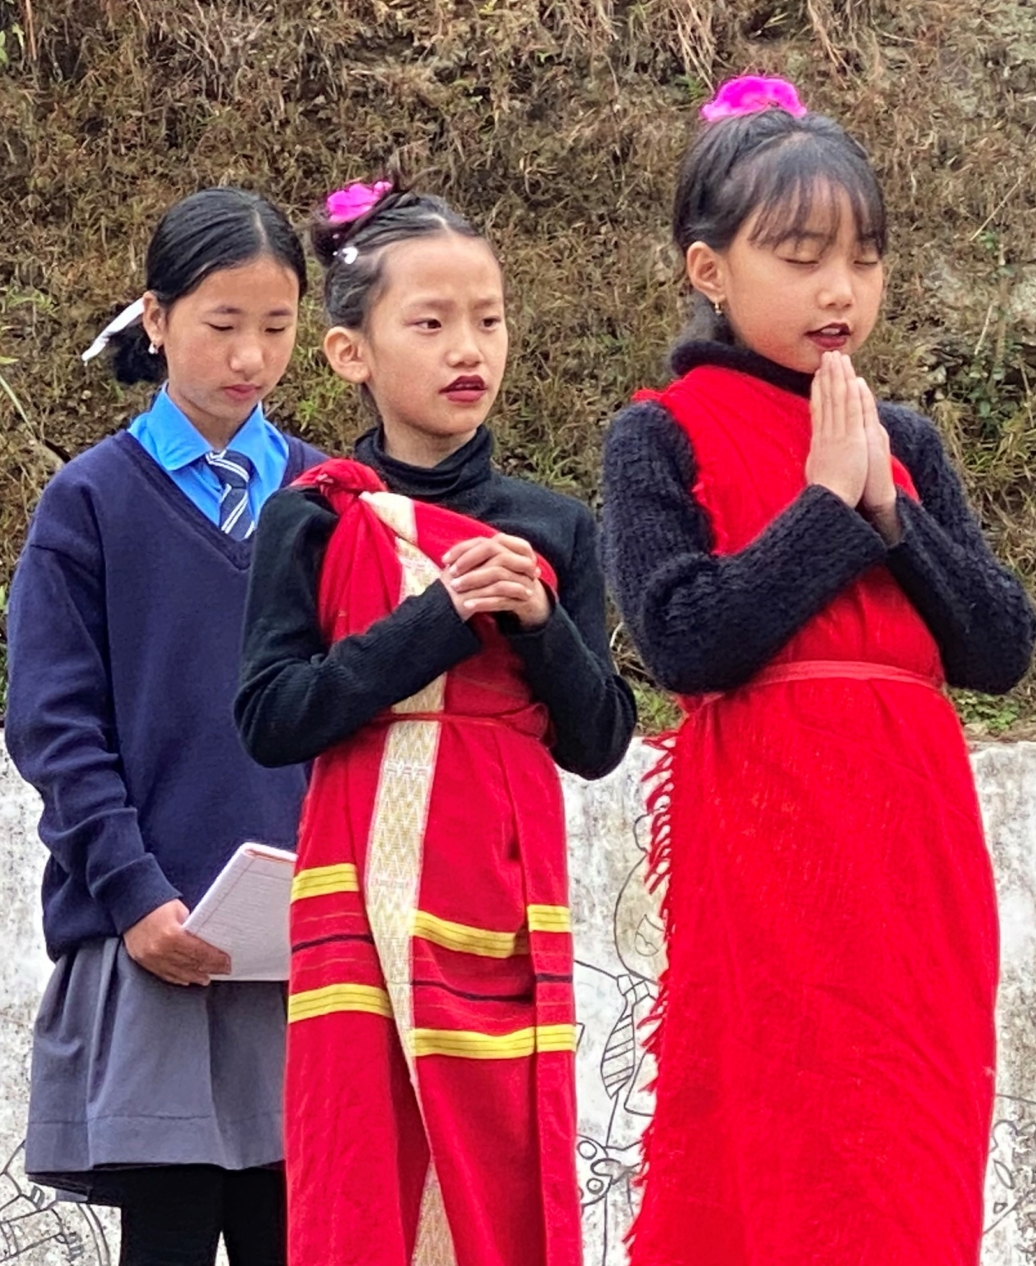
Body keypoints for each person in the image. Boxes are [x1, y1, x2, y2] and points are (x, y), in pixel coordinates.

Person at [598, 76, 1035, 1266]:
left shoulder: (906, 440)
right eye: (799, 256)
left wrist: (890, 510)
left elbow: (998, 649)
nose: (840, 289)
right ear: (710, 272)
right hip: (772, 838)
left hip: (915, 842)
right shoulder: (660, 430)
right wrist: (823, 510)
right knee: (781, 1142)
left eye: (865, 258)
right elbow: (683, 637)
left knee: (913, 1141)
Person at [235, 181, 634, 1266]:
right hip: (354, 899)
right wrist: (438, 621)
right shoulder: (313, 514)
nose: (469, 349)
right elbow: (271, 716)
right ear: (348, 352)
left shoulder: (549, 526)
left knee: (503, 1164)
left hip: (496, 897)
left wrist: (540, 616)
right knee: (361, 1164)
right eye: (430, 322)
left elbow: (598, 741)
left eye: (489, 318)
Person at [4, 187, 324, 1266]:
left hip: (308, 955)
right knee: (171, 1238)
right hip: (160, 946)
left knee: (301, 1232)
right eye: (220, 324)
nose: (249, 357)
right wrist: (135, 897)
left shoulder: (332, 500)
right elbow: (56, 729)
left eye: (275, 328)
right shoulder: (90, 503)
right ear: (155, 319)